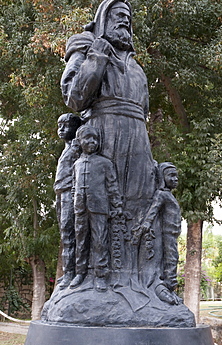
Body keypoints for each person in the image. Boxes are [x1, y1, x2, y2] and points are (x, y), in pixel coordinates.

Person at [61, 0, 156, 282]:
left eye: (128, 16)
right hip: (104, 136)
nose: (125, 19)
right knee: (100, 213)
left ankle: (138, 281)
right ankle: (95, 277)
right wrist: (97, 54)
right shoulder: (86, 51)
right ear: (103, 19)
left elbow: (145, 109)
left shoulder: (136, 66)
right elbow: (74, 97)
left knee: (137, 209)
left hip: (138, 142)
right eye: (118, 14)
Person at [70, 125, 123, 292]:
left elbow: (112, 186)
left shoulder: (105, 163)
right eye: (87, 138)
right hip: (80, 208)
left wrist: (117, 206)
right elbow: (74, 186)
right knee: (81, 241)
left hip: (99, 207)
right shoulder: (77, 164)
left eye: (95, 139)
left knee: (100, 241)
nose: (92, 142)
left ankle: (101, 275)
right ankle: (80, 273)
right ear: (80, 141)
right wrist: (75, 202)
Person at [135, 162, 183, 305]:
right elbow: (153, 211)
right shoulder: (161, 194)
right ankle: (166, 287)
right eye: (171, 176)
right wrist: (145, 225)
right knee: (171, 259)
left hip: (172, 234)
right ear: (162, 177)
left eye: (176, 176)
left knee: (172, 258)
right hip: (166, 234)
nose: (175, 179)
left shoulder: (169, 195)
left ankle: (169, 288)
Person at [54, 113, 81, 289]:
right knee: (65, 234)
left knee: (70, 233)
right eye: (60, 125)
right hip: (60, 193)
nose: (62, 129)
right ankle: (68, 272)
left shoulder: (77, 148)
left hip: (70, 194)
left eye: (66, 125)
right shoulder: (67, 148)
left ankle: (71, 273)